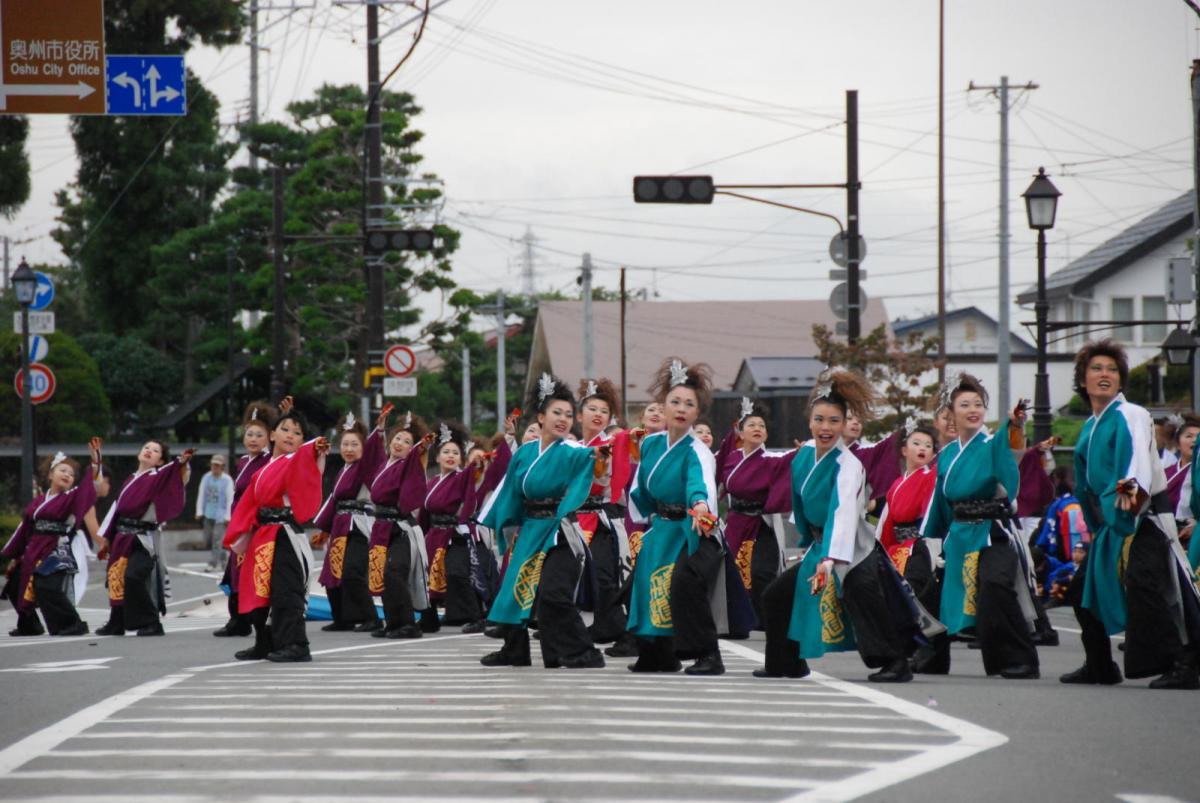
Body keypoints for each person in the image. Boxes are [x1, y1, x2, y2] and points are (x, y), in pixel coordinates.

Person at [756, 369, 920, 683]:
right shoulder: (803, 454)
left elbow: (842, 513)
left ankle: (896, 662)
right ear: (809, 422)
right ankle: (785, 663)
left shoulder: (849, 465)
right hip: (822, 543)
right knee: (777, 595)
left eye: (834, 421)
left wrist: (830, 558)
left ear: (845, 425)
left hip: (852, 545)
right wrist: (810, 541)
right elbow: (798, 497)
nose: (826, 427)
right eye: (819, 419)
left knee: (862, 591)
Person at [1064, 340, 1200, 689]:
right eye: (1096, 369)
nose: (1104, 374)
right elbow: (1085, 485)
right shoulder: (1090, 426)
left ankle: (1184, 664)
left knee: (1153, 587)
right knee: (1082, 590)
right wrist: (1097, 525)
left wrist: (1129, 500)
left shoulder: (1132, 414)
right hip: (1113, 522)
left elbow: (1135, 461)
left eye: (1111, 369)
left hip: (1143, 516)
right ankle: (1099, 664)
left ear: (1121, 379)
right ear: (1083, 380)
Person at [477, 373, 607, 669]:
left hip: (559, 529)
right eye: (556, 413)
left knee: (553, 592)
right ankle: (514, 649)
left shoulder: (573, 450)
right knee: (514, 589)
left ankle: (583, 651)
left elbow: (593, 459)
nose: (563, 419)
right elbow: (510, 491)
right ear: (541, 417)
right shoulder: (524, 453)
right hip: (530, 528)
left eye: (569, 415)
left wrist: (600, 455)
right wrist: (506, 527)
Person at [919, 372, 1039, 679]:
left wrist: (1014, 424)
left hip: (992, 530)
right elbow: (941, 500)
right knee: (932, 589)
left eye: (978, 404)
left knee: (996, 586)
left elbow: (1012, 447)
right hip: (959, 534)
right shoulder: (946, 455)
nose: (973, 409)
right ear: (951, 414)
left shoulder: (992, 443)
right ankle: (930, 658)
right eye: (964, 404)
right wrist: (932, 541)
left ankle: (1019, 659)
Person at [625, 358, 741, 676]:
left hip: (691, 529)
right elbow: (640, 488)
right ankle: (657, 653)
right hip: (661, 526)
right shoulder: (650, 444)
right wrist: (643, 522)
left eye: (688, 404)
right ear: (662, 406)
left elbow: (699, 484)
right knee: (649, 582)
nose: (681, 408)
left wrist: (701, 505)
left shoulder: (698, 451)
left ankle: (709, 653)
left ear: (696, 412)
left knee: (683, 584)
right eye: (675, 401)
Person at [224, 409, 329, 662]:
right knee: (258, 589)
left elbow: (310, 465)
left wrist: (316, 448)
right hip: (263, 533)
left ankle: (296, 644)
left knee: (286, 590)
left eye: (297, 433)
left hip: (284, 533)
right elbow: (249, 503)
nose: (290, 435)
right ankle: (264, 641)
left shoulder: (298, 460)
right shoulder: (262, 469)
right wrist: (240, 531)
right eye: (284, 429)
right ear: (271, 435)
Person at [2, 442, 104, 636]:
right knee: (15, 584)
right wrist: (15, 557)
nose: (67, 475)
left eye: (71, 474)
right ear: (50, 474)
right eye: (62, 470)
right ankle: (29, 625)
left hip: (58, 550)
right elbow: (24, 530)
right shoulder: (38, 502)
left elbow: (92, 487)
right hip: (34, 549)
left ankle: (72, 624)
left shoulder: (73, 497)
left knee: (46, 584)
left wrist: (96, 462)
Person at [95, 440, 193, 637]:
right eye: (146, 448)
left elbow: (176, 475)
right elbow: (117, 508)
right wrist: (107, 537)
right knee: (116, 578)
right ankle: (117, 622)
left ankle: (151, 622)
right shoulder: (131, 478)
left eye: (155, 450)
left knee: (133, 576)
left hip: (142, 539)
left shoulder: (159, 477)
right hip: (122, 536)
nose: (149, 451)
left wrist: (181, 463)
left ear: (160, 461)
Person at [714, 397, 796, 627]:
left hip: (762, 523)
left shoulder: (773, 459)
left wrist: (804, 452)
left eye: (762, 426)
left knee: (761, 572)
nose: (757, 429)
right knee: (731, 571)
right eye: (751, 425)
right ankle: (736, 617)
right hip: (736, 521)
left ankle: (766, 617)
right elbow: (716, 474)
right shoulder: (731, 458)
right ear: (739, 433)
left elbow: (792, 462)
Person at [422, 420, 510, 630]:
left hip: (456, 534)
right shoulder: (432, 482)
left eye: (455, 453)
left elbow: (477, 490)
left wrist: (478, 466)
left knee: (457, 573)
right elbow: (425, 513)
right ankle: (429, 618)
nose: (451, 456)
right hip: (434, 535)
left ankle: (476, 616)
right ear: (437, 457)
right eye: (446, 452)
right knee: (431, 577)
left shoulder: (464, 477)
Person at [572, 379, 634, 646]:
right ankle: (591, 624)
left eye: (603, 411)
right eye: (592, 409)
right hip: (575, 518)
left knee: (606, 574)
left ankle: (616, 627)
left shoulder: (611, 444)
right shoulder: (573, 447)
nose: (598, 414)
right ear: (579, 415)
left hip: (600, 518)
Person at [213, 401, 283, 638]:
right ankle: (238, 619)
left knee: (248, 571)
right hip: (239, 521)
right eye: (249, 434)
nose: (253, 439)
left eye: (259, 435)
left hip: (254, 522)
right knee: (235, 570)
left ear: (269, 438)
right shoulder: (243, 461)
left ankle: (252, 619)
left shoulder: (269, 460)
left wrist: (285, 417)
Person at [312, 410, 385, 633]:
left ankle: (372, 617)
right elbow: (333, 501)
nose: (349, 449)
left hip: (359, 525)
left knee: (352, 571)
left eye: (355, 444)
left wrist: (379, 431)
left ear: (364, 448)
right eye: (345, 444)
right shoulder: (342, 470)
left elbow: (375, 453)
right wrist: (324, 529)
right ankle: (343, 617)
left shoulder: (365, 468)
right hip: (340, 525)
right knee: (332, 573)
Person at [367, 412, 434, 639]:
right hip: (381, 527)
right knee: (383, 575)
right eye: (397, 438)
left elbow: (417, 459)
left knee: (395, 572)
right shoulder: (383, 465)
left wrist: (421, 448)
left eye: (407, 442)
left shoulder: (409, 466)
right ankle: (392, 623)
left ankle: (408, 624)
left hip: (401, 528)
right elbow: (370, 456)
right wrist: (379, 431)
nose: (400, 444)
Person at [196, 455, 235, 572]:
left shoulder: (227, 480)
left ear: (222, 467)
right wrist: (199, 511)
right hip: (209, 513)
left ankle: (212, 563)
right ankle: (224, 559)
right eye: (213, 465)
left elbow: (230, 499)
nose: (215, 467)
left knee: (217, 540)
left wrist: (228, 516)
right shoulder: (206, 478)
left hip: (221, 516)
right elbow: (201, 494)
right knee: (208, 539)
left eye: (218, 465)